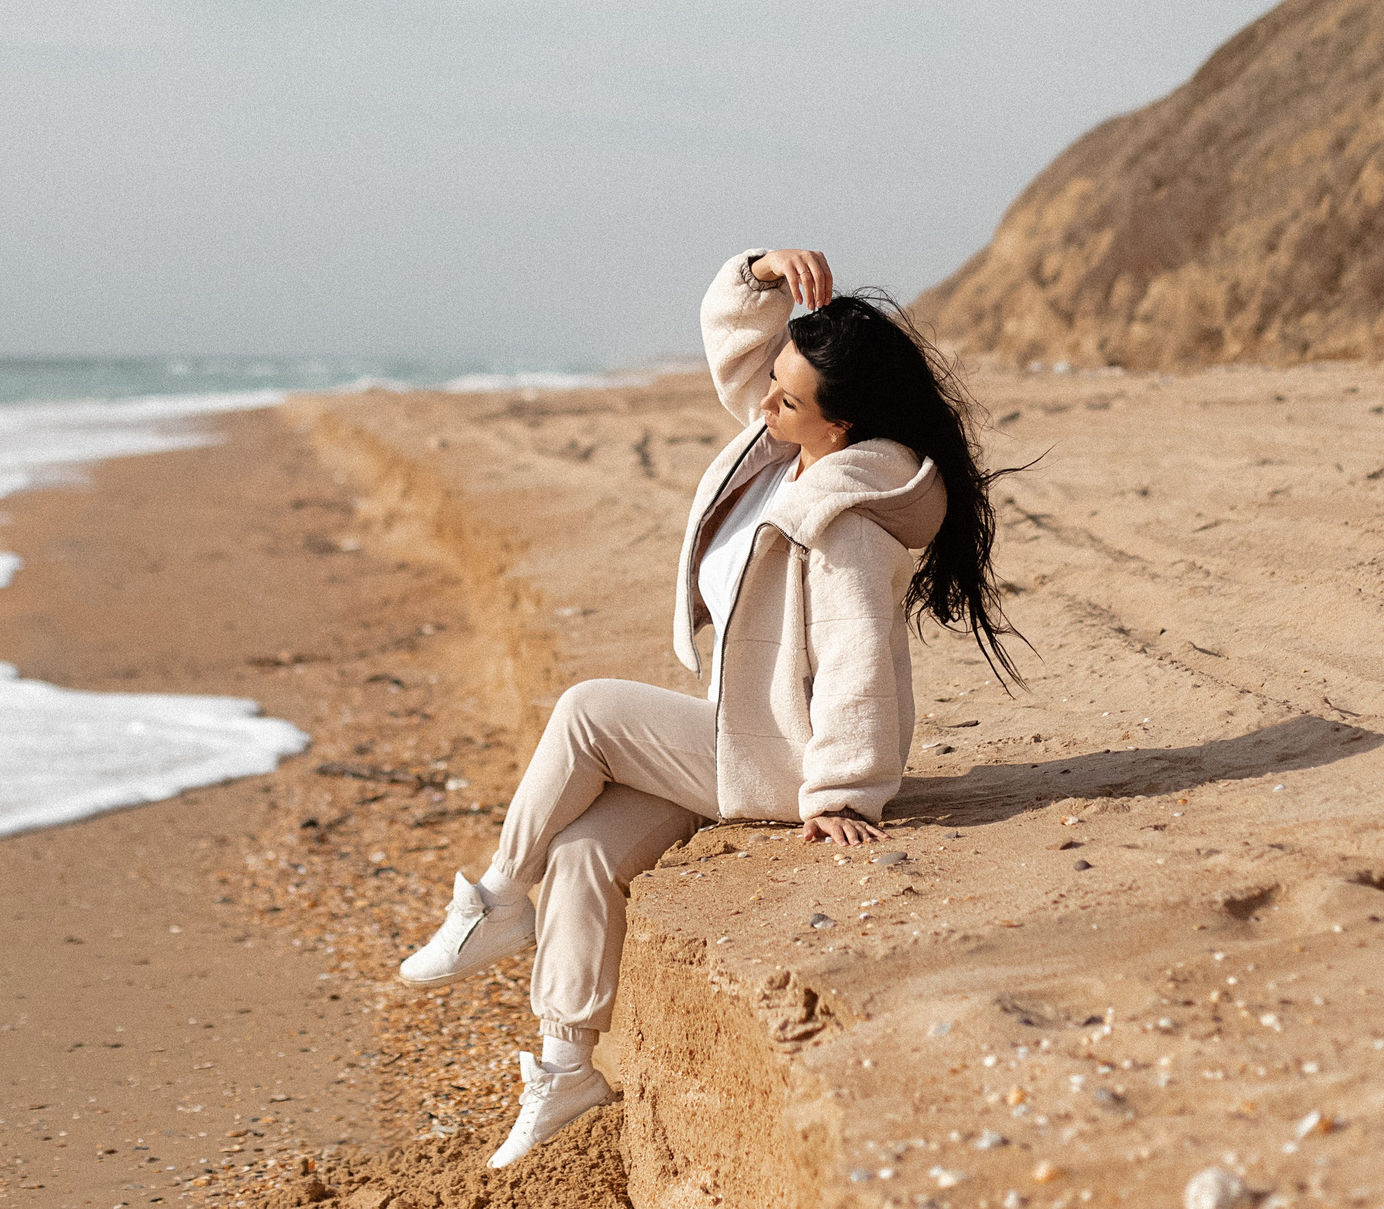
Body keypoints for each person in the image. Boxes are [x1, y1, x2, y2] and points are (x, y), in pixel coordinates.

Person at [396, 247, 1026, 1167]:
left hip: (778, 755)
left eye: (786, 398)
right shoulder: (791, 447)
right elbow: (741, 353)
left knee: (584, 710)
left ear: (841, 425)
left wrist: (843, 792)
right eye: (772, 385)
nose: (764, 404)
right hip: (737, 730)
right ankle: (567, 1063)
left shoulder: (845, 514)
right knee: (584, 853)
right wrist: (762, 274)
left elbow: (857, 658)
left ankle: (495, 894)